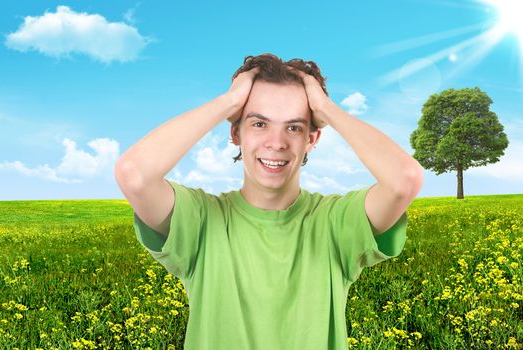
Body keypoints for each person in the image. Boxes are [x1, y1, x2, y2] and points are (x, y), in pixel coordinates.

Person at [114, 53, 423, 350]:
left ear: (311, 139)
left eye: (294, 127)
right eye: (259, 124)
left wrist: (325, 109)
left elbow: (404, 180)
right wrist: (229, 102)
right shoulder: (201, 221)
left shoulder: (335, 222)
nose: (276, 143)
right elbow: (134, 175)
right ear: (236, 133)